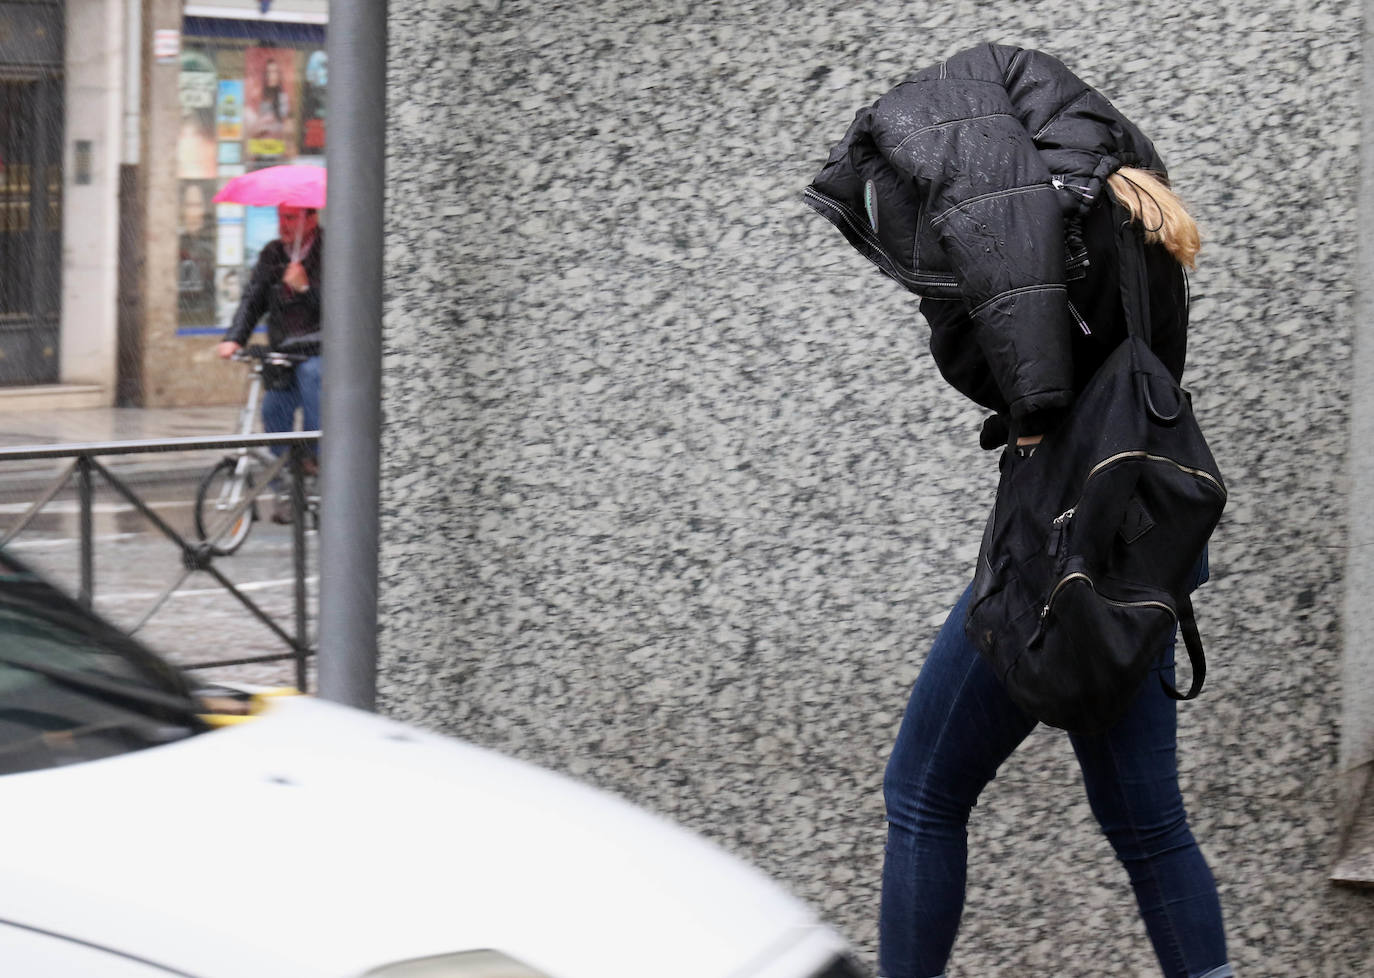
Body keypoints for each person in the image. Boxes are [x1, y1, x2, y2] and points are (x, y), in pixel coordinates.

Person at [805, 44, 1232, 978]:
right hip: (1140, 540)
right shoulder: (1136, 207)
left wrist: (955, 309)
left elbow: (1006, 374)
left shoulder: (1040, 237)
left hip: (1060, 546)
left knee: (922, 794)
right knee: (1149, 826)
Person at [217, 205, 322, 523]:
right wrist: (234, 338)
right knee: (273, 408)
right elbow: (253, 299)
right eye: (280, 217)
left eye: (291, 218)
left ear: (311, 219)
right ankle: (286, 481)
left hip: (320, 347)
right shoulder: (272, 254)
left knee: (313, 378)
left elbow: (344, 306)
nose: (283, 225)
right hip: (284, 350)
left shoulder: (332, 251)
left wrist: (306, 289)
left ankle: (316, 458)